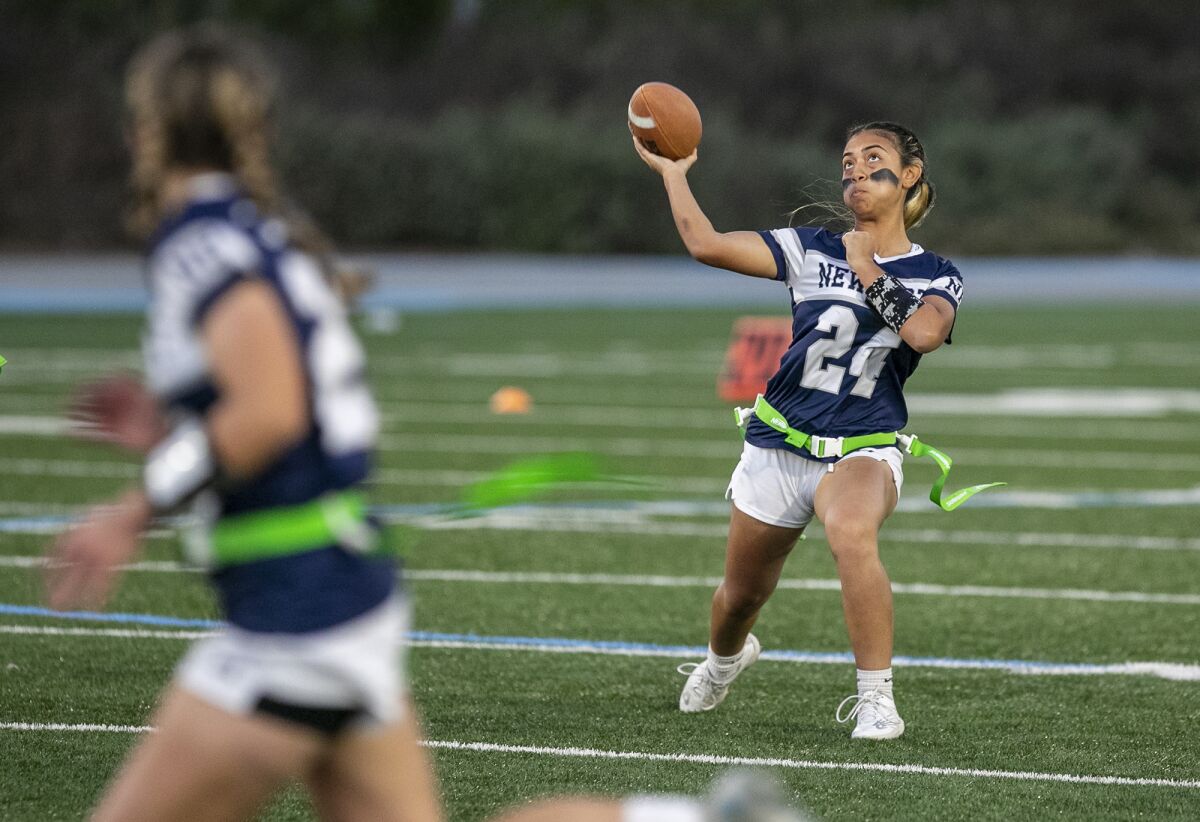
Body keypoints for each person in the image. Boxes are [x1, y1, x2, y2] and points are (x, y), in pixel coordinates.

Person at [44, 25, 808, 822]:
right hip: (343, 592)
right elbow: (273, 398)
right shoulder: (256, 231)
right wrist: (175, 428)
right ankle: (700, 819)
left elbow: (269, 412)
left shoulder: (200, 242)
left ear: (149, 129)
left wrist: (133, 510)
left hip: (291, 613)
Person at [633, 120, 963, 740]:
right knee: (740, 595)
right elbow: (705, 244)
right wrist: (676, 176)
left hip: (865, 444)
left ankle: (877, 700)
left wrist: (867, 267)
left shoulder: (937, 272)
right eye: (847, 160)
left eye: (874, 158)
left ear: (910, 174)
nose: (856, 170)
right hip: (781, 440)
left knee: (850, 532)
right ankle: (723, 660)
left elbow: (923, 334)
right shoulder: (810, 247)